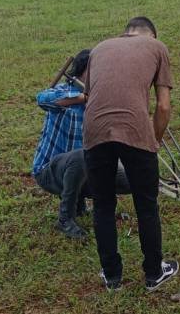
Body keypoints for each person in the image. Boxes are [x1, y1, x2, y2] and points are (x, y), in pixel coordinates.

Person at [83, 16, 178, 292]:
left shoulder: (99, 48)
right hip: (135, 129)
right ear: (152, 34)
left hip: (94, 131)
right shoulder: (157, 47)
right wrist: (153, 141)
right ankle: (153, 274)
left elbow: (91, 98)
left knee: (102, 205)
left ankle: (112, 277)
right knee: (146, 204)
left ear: (126, 33)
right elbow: (163, 107)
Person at [32, 49, 130, 239]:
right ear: (85, 71)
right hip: (50, 172)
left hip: (85, 171)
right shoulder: (65, 91)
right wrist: (83, 98)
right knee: (81, 156)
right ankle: (65, 218)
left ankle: (82, 206)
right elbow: (42, 99)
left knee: (132, 176)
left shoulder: (101, 100)